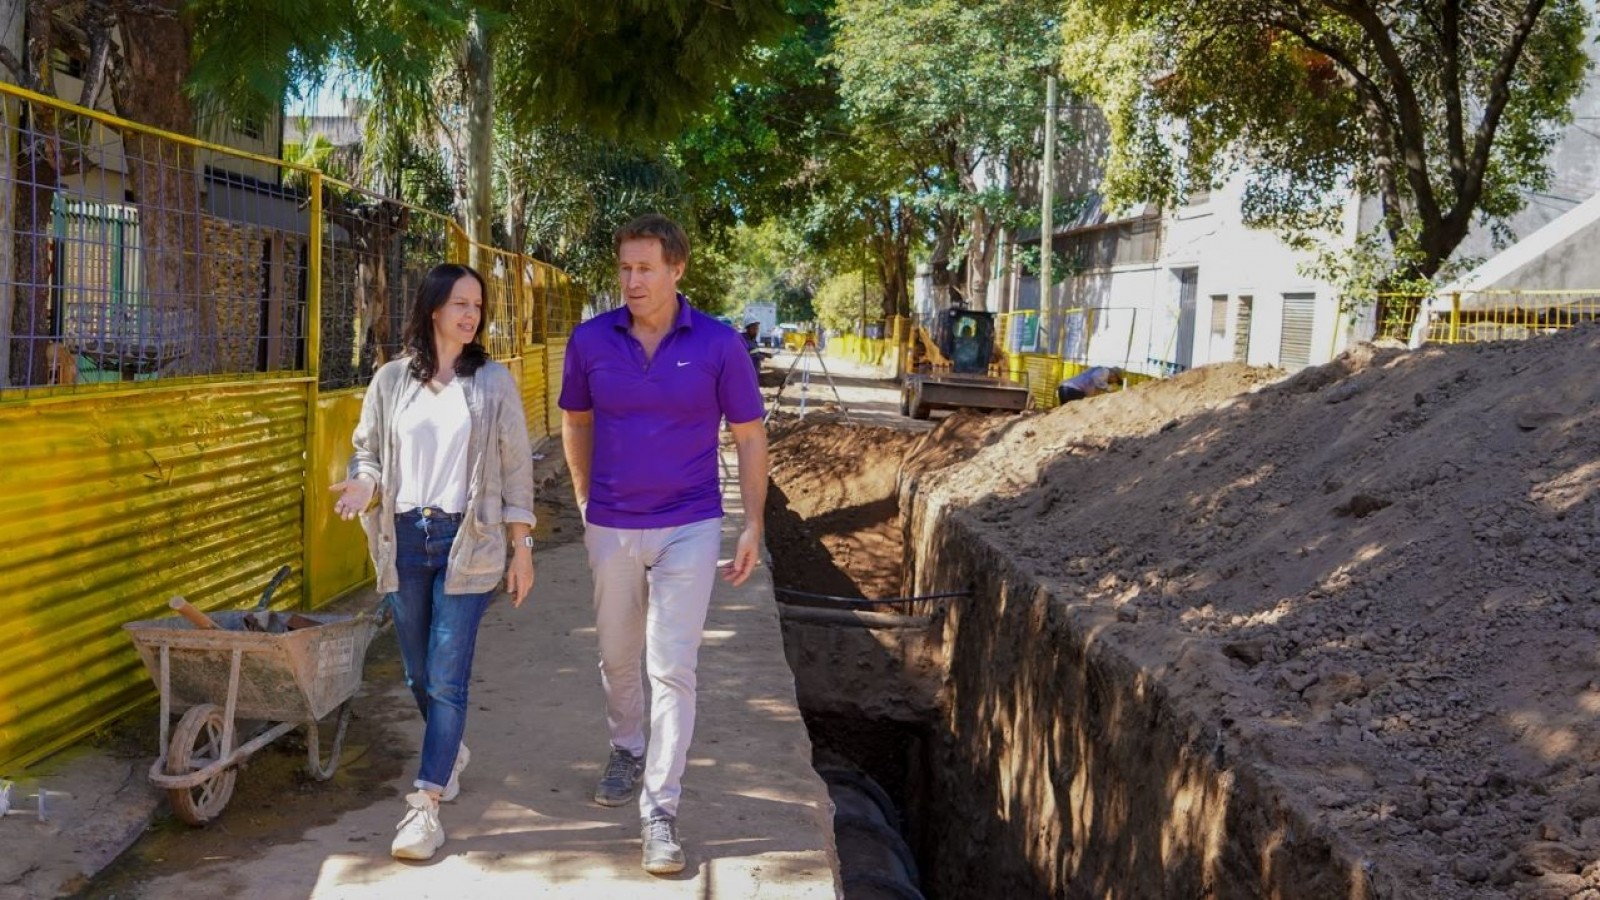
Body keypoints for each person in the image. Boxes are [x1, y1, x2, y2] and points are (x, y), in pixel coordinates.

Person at [559, 213, 768, 876]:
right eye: (625, 267)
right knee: (618, 658)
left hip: (690, 522)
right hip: (613, 523)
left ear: (678, 270)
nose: (633, 280)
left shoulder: (718, 344)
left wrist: (754, 522)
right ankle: (626, 745)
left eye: (646, 268)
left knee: (671, 667)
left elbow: (750, 434)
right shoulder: (591, 340)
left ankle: (660, 811)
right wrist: (586, 497)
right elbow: (576, 418)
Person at [330, 262, 537, 862]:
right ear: (432, 309)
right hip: (404, 538)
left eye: (477, 305)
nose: (471, 314)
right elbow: (367, 454)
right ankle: (449, 751)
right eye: (460, 304)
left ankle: (425, 806)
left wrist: (521, 549)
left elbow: (517, 469)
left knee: (447, 676)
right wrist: (363, 486)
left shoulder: (493, 382)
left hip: (468, 540)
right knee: (417, 674)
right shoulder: (392, 381)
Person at [1057, 365, 1124, 405]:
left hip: (1064, 388)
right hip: (1073, 390)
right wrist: (1107, 387)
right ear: (1114, 375)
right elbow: (1095, 377)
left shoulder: (1100, 379)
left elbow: (1093, 392)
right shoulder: (1105, 371)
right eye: (1116, 381)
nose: (1114, 383)